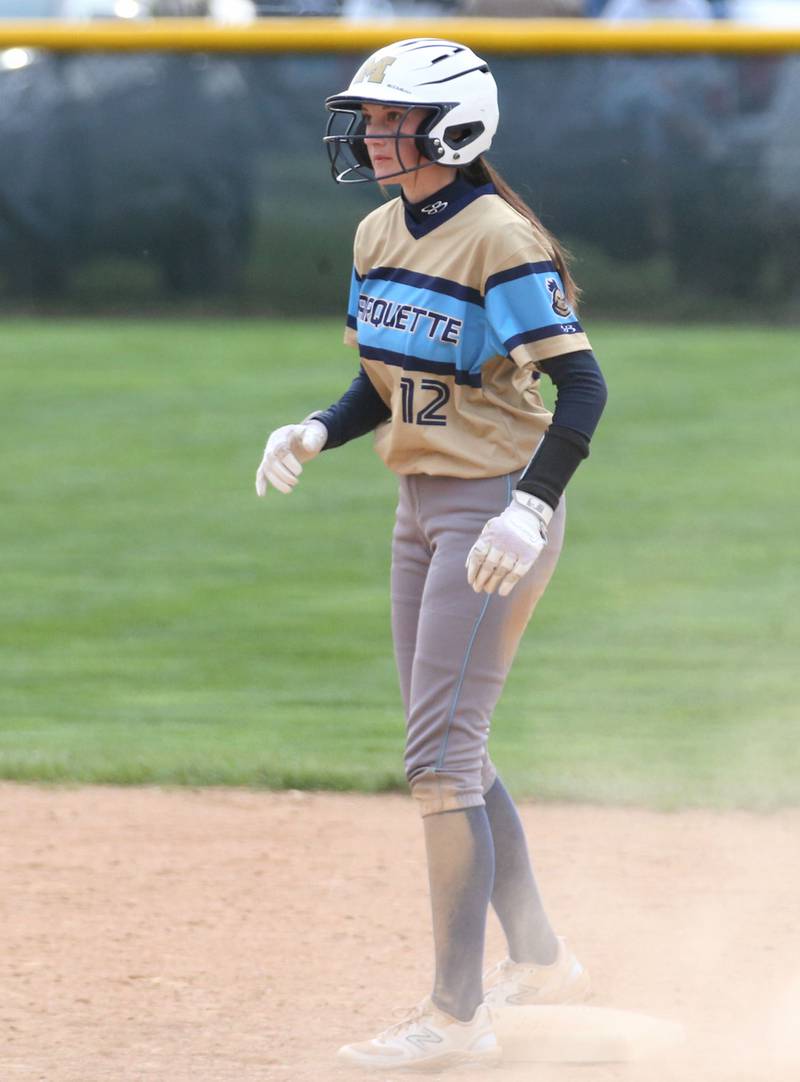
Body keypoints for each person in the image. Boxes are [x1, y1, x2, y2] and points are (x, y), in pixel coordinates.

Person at [255, 38, 607, 1072]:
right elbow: (393, 375)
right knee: (451, 744)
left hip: (491, 518)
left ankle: (454, 1016)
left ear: (450, 130)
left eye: (386, 119)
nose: (365, 134)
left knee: (437, 758)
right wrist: (319, 425)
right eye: (364, 117)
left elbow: (581, 387)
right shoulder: (375, 230)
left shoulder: (498, 238)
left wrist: (529, 508)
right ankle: (538, 958)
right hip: (417, 509)